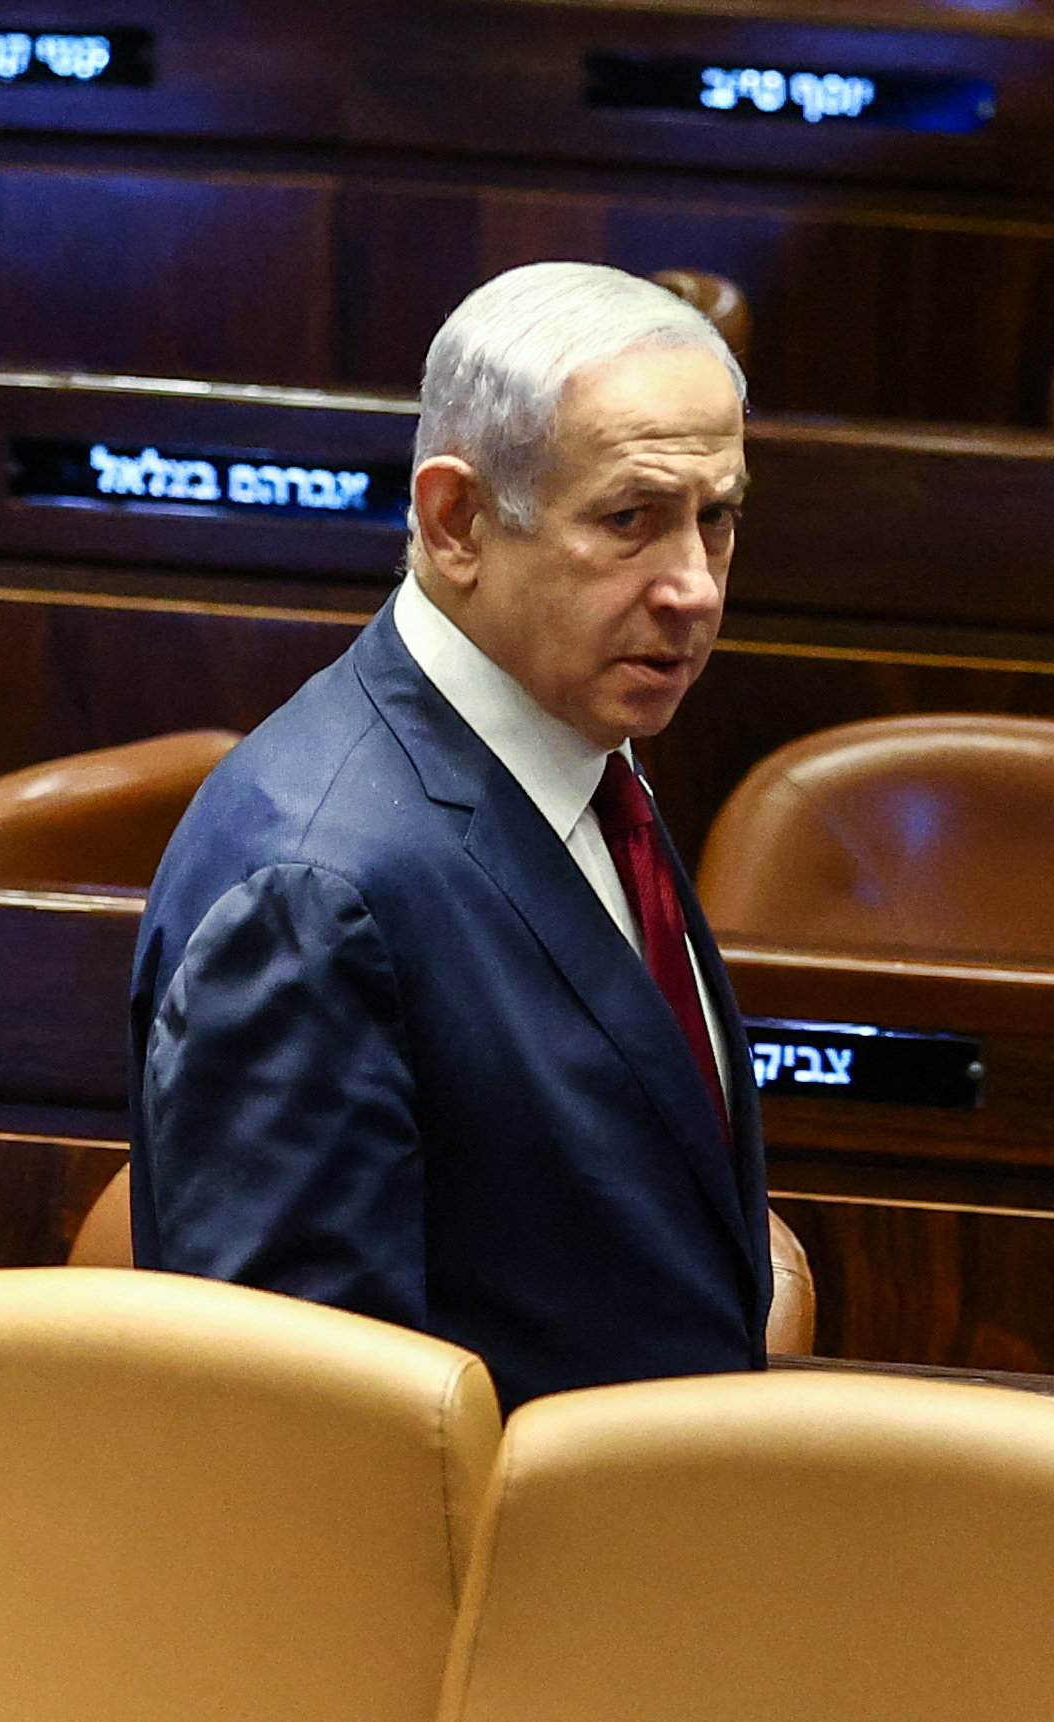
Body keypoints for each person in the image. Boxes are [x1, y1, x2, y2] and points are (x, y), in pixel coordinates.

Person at [128, 263, 768, 1407]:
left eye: (715, 519)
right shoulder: (315, 893)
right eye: (631, 519)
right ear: (456, 521)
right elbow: (308, 1434)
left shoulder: (576, 749)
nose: (694, 588)